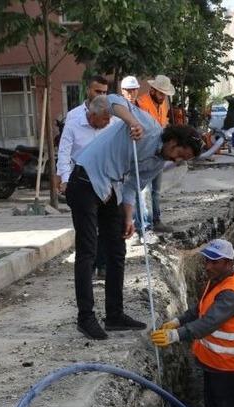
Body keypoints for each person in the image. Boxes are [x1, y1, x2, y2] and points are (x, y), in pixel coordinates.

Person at [67, 93, 203, 340]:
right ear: (173, 140)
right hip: (85, 179)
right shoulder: (147, 126)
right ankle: (85, 318)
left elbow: (132, 186)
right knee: (87, 251)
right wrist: (132, 122)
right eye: (180, 153)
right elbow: (111, 100)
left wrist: (128, 217)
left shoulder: (157, 164)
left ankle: (114, 315)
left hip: (109, 188)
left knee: (117, 250)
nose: (177, 160)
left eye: (183, 159)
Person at [151, 239, 234, 407]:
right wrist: (178, 321)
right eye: (207, 261)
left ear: (228, 263)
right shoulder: (217, 280)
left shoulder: (231, 293)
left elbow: (208, 323)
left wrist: (175, 335)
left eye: (214, 262)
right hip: (213, 363)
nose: (207, 266)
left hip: (227, 367)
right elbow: (200, 309)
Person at [57, 94, 115, 280]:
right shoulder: (73, 125)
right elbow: (64, 154)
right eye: (104, 119)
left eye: (109, 118)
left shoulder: (111, 125)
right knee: (86, 231)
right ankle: (87, 269)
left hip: (105, 182)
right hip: (81, 183)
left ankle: (103, 265)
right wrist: (65, 180)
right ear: (92, 115)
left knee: (105, 227)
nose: (108, 122)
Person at [136, 75, 176, 234]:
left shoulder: (163, 103)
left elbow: (163, 123)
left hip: (160, 151)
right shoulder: (140, 103)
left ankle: (156, 220)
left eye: (165, 94)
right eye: (160, 93)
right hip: (146, 152)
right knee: (145, 190)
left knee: (156, 190)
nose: (163, 97)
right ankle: (146, 225)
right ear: (152, 90)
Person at [55, 75, 110, 192]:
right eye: (98, 91)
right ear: (88, 90)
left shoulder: (112, 117)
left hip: (105, 178)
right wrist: (65, 178)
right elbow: (64, 151)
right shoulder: (73, 116)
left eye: (104, 92)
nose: (102, 96)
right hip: (80, 177)